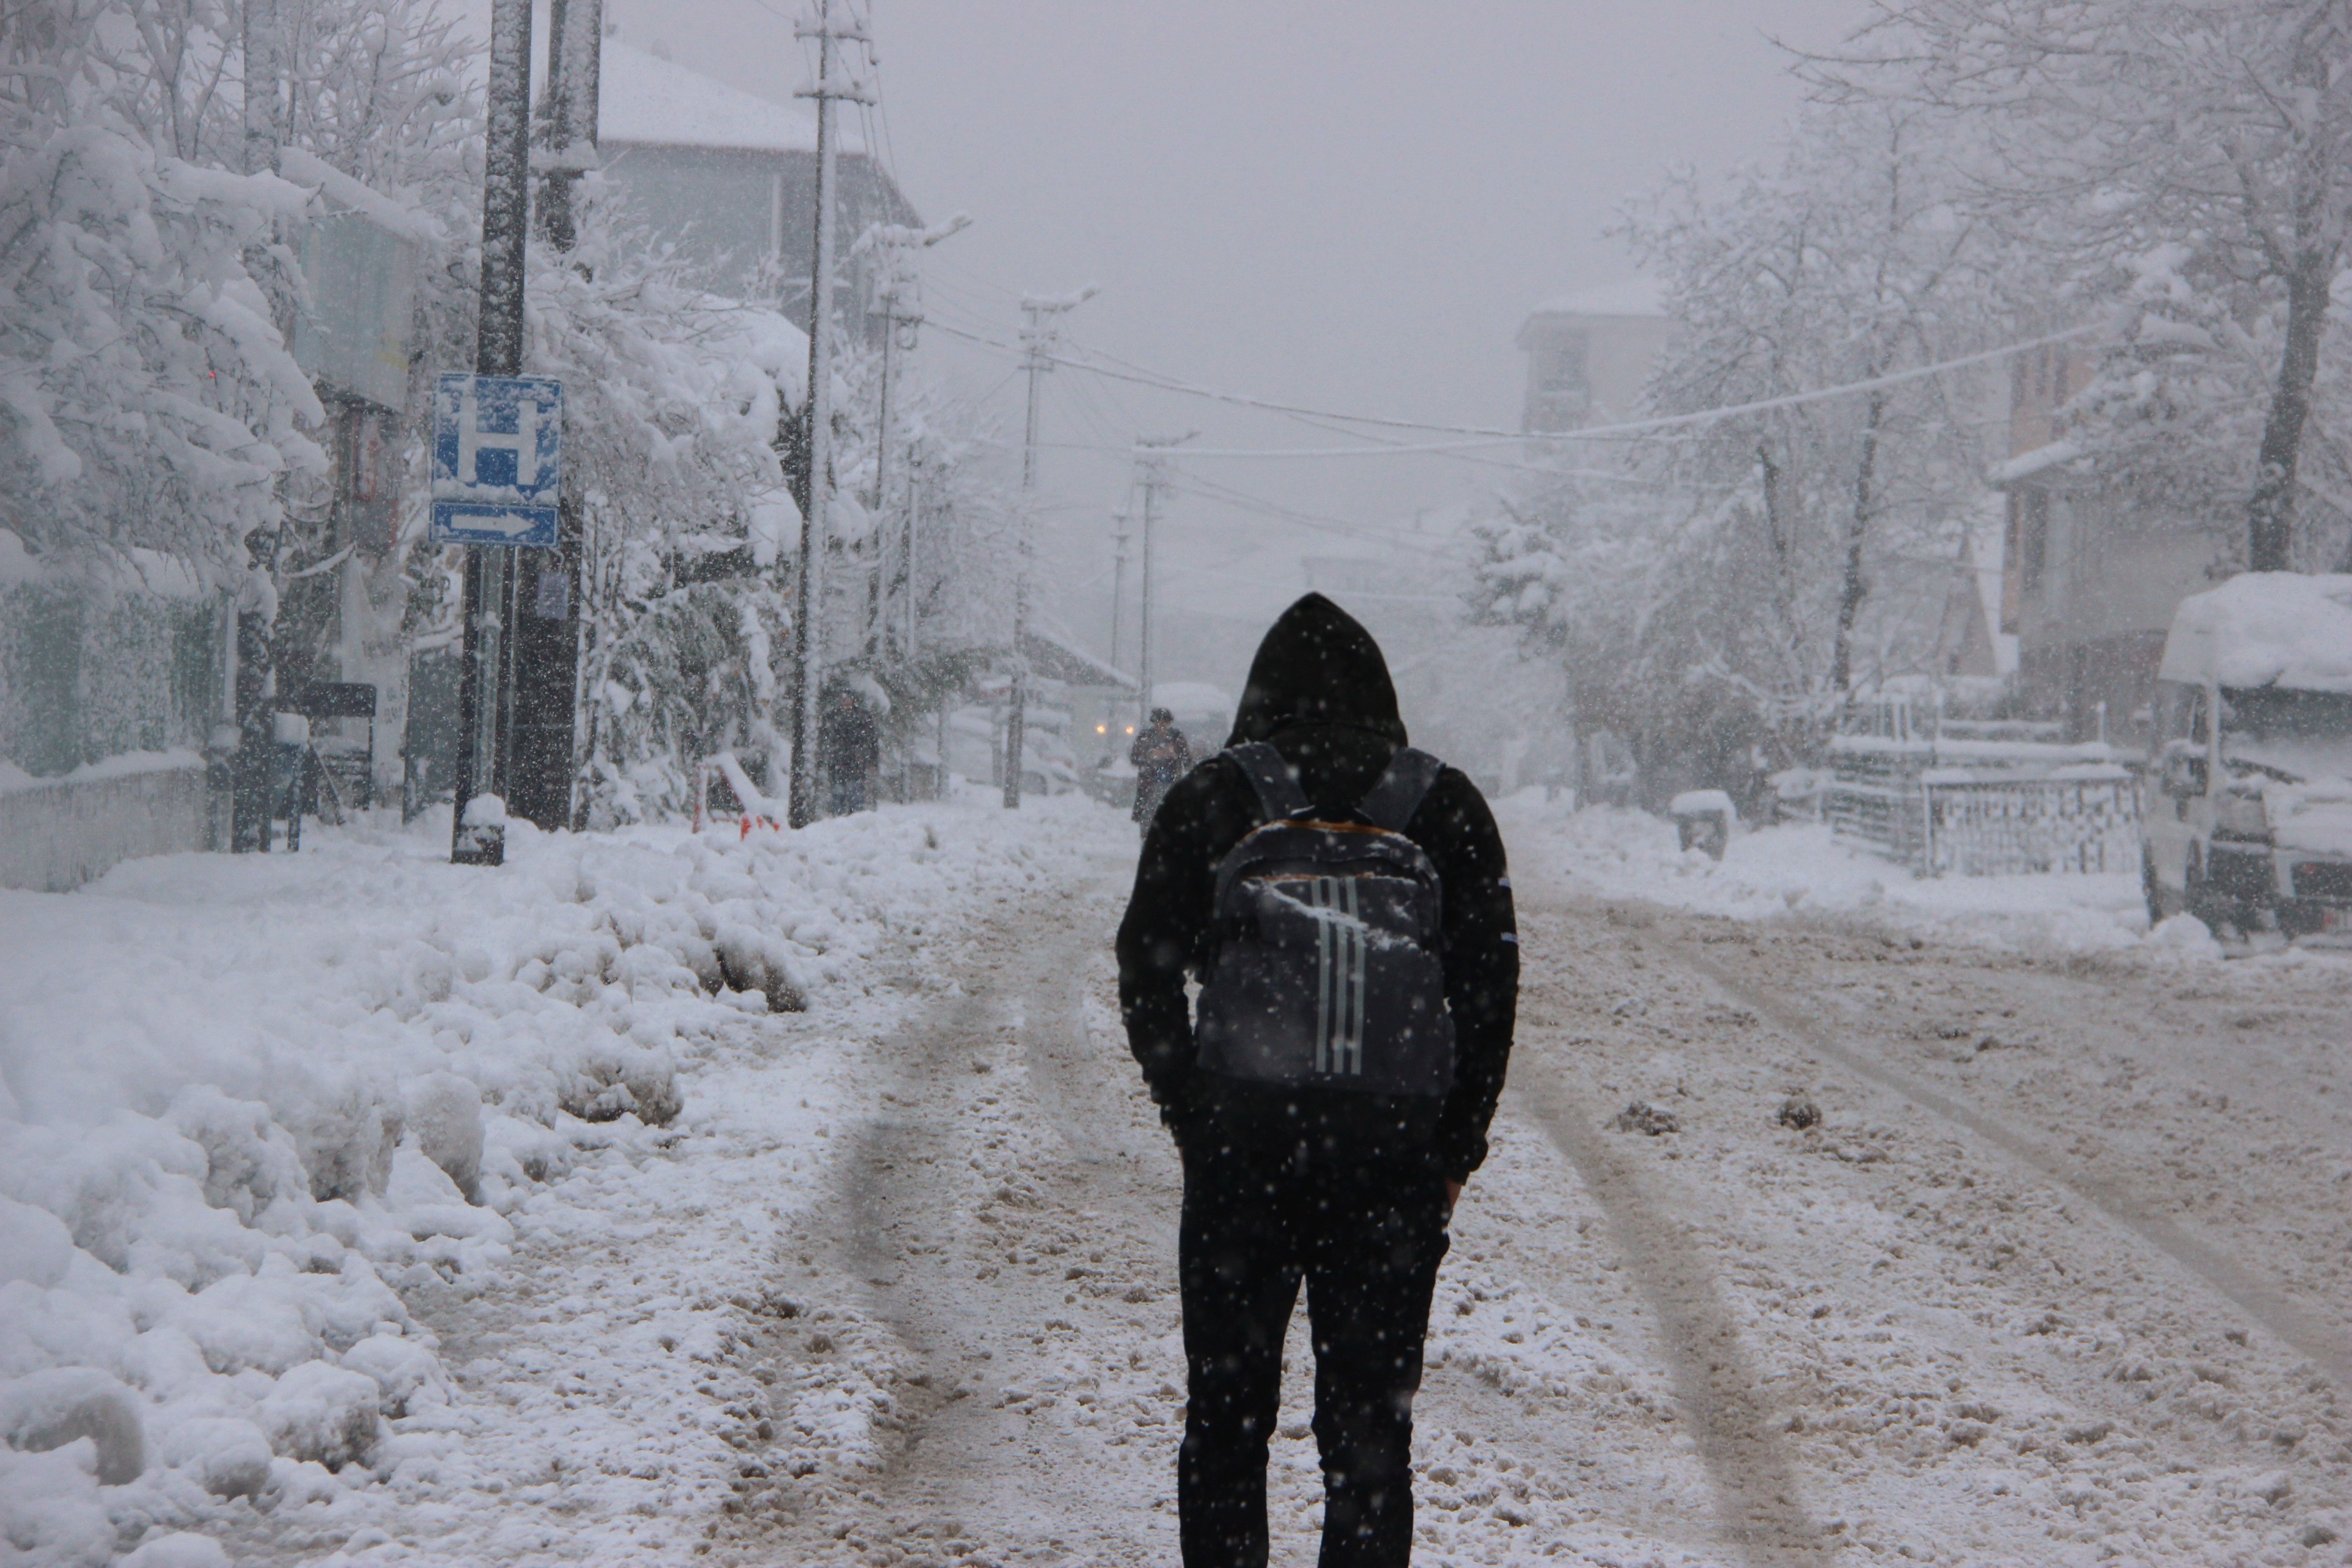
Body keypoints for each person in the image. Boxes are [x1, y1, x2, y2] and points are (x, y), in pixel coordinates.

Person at [1115, 593, 1518, 1568]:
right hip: (1391, 1166)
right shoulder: (1444, 804)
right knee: (1370, 1442)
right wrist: (1452, 1150)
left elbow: (1145, 963)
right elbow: (1490, 985)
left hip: (1245, 1152)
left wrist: (1194, 1114)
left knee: (1226, 1420)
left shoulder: (1214, 797)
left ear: (1261, 697)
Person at [1129, 705, 1195, 836]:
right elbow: (1134, 758)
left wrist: (1175, 755)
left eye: (1165, 723)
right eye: (1159, 723)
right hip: (1149, 786)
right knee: (1148, 819)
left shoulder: (1177, 738)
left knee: (1172, 820)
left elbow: (1188, 762)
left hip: (1172, 786)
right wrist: (1150, 756)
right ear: (1154, 723)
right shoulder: (1145, 737)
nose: (1162, 726)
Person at [819, 687, 878, 815]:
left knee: (856, 798)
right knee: (838, 798)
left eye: (848, 699)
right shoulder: (832, 717)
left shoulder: (863, 717)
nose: (846, 702)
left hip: (855, 766)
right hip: (838, 765)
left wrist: (869, 759)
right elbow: (826, 739)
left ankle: (855, 822)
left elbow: (871, 740)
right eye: (844, 699)